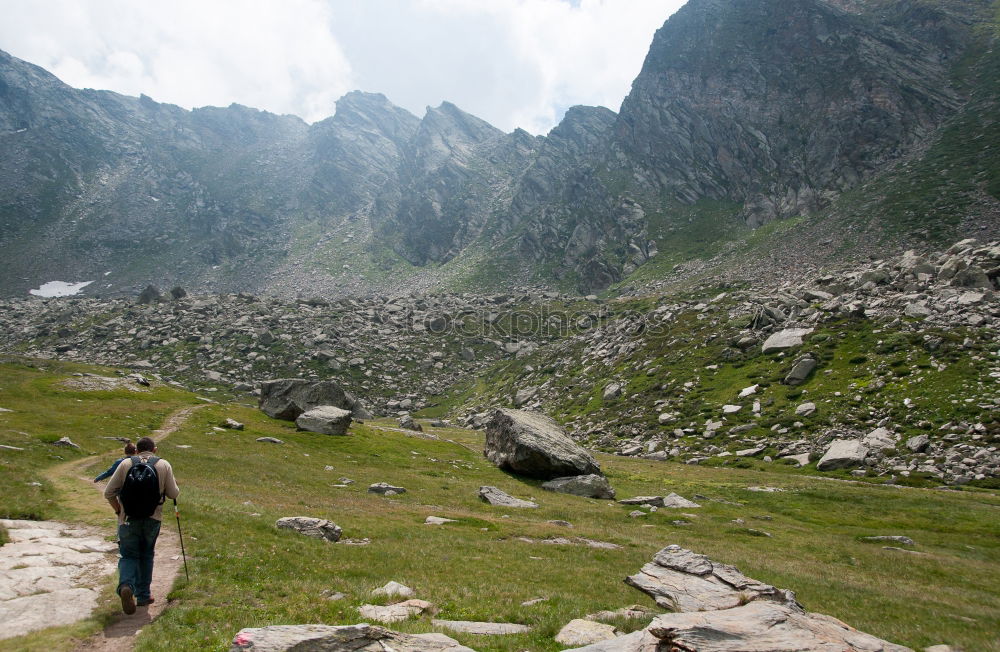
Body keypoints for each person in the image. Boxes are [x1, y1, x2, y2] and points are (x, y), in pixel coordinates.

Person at [104, 436, 180, 614]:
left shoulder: (125, 464)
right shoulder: (163, 464)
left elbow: (108, 492)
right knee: (146, 554)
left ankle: (126, 585)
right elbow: (173, 493)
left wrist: (118, 511)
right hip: (153, 518)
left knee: (128, 555)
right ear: (154, 449)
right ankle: (143, 595)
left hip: (128, 518)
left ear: (136, 450)